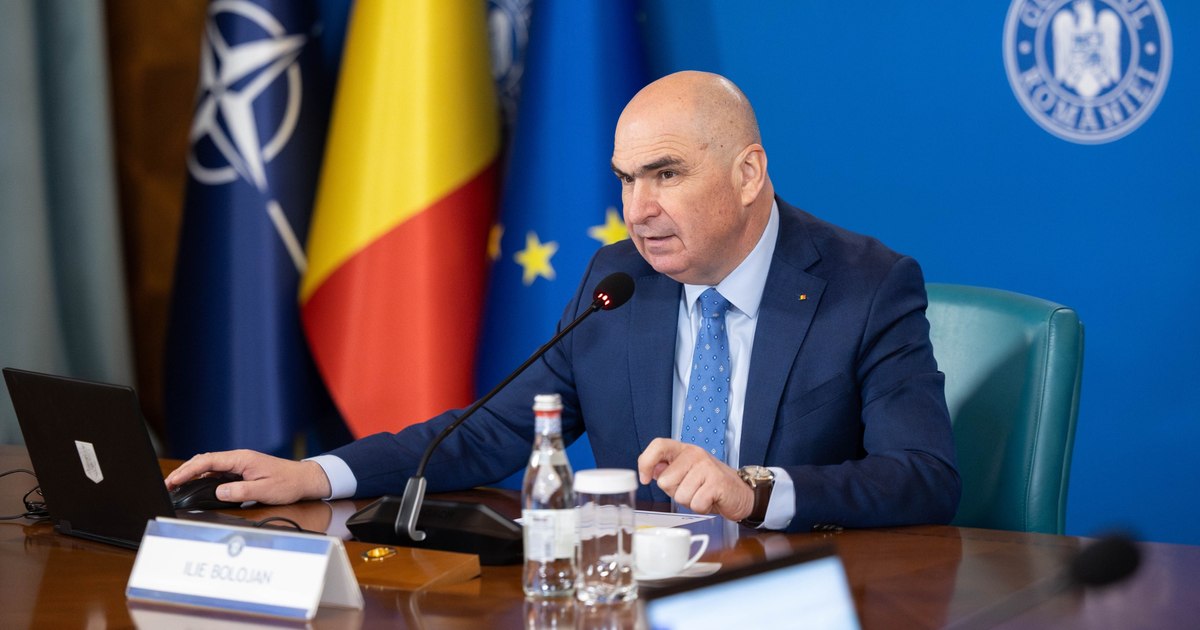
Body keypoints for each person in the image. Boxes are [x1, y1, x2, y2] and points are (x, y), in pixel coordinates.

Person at [167, 71, 960, 531]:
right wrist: (316, 474)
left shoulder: (867, 286)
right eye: (626, 179)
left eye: (666, 175)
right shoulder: (619, 282)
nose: (638, 210)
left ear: (748, 173)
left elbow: (924, 476)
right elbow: (486, 436)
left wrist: (753, 491)